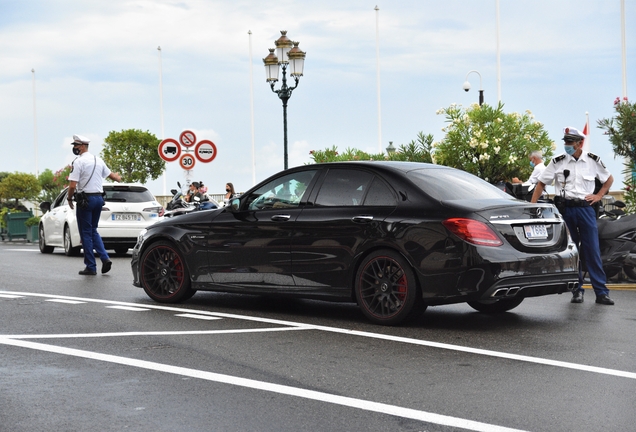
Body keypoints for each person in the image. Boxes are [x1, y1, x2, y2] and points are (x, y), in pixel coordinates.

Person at [531, 127, 615, 305]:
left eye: (570, 142)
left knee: (592, 250)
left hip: (586, 208)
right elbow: (541, 183)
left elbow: (609, 179)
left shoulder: (592, 160)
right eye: (566, 142)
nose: (567, 145)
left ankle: (601, 292)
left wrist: (599, 195)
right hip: (566, 209)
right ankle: (577, 291)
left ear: (580, 143)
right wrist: (532, 206)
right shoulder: (558, 161)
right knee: (572, 251)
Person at [66, 134, 122, 275]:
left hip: (86, 200)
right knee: (93, 230)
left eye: (76, 145)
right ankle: (104, 257)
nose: (74, 148)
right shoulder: (99, 160)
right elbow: (113, 177)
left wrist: (69, 198)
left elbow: (72, 185)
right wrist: (118, 177)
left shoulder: (78, 162)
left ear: (83, 146)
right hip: (98, 199)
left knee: (85, 233)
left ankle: (91, 266)